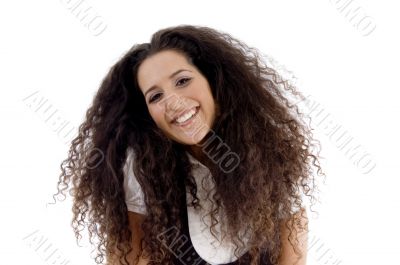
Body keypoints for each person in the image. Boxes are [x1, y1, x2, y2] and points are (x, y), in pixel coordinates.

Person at [52, 25, 323, 265]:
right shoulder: (142, 170)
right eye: (156, 96)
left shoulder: (268, 149)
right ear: (147, 114)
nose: (173, 102)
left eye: (182, 81)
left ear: (213, 80)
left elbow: (292, 256)